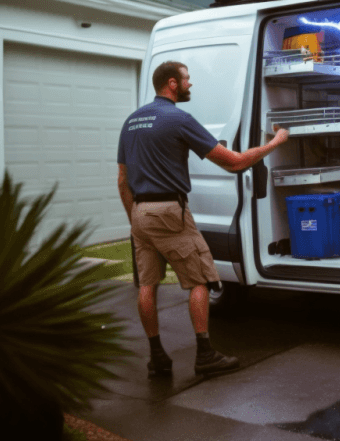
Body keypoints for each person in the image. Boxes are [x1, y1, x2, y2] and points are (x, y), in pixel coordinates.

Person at [117, 60, 289, 379]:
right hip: (170, 211)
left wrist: (136, 221)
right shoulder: (179, 119)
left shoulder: (131, 122)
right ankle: (205, 355)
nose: (190, 85)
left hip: (139, 212)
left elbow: (122, 180)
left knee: (147, 284)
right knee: (201, 280)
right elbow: (235, 163)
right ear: (171, 83)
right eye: (186, 80)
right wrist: (275, 143)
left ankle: (157, 358)